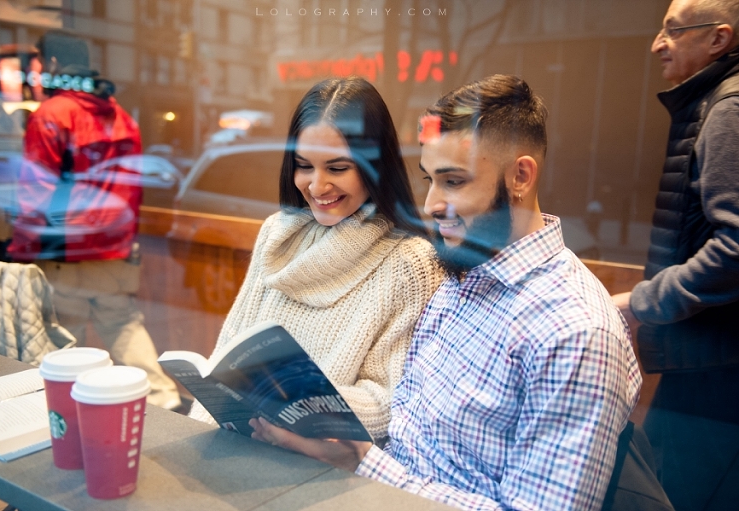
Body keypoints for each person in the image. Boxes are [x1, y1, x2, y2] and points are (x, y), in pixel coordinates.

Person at [250, 75, 643, 510]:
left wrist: (362, 463)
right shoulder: (461, 276)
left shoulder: (576, 333)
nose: (432, 204)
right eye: (430, 180)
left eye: (453, 181)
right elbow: (404, 428)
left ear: (520, 175)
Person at [188, 77, 443, 440]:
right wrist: (197, 437)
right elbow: (226, 355)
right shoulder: (277, 233)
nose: (317, 186)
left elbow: (391, 401)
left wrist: (296, 405)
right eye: (304, 166)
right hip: (238, 445)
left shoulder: (410, 262)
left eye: (337, 169)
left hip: (324, 467)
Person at [6, 32, 181, 410]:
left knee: (62, 340)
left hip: (66, 248)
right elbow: (130, 185)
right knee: (123, 326)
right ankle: (166, 404)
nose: (33, 73)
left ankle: (64, 418)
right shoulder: (119, 116)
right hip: (113, 246)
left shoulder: (53, 114)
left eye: (37, 63)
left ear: (52, 65)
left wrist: (23, 247)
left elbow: (37, 190)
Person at [612, 1, 739, 508]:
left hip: (719, 370)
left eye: (672, 30)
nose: (656, 44)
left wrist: (642, 301)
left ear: (718, 39)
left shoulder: (728, 109)